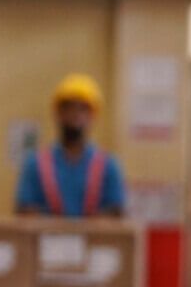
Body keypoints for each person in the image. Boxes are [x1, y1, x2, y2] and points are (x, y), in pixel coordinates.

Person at [16, 73, 126, 217]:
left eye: (83, 108)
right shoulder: (35, 164)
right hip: (45, 239)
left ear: (92, 116)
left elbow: (115, 214)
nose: (75, 114)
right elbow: (25, 212)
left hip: (94, 240)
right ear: (58, 113)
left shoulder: (109, 165)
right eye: (68, 108)